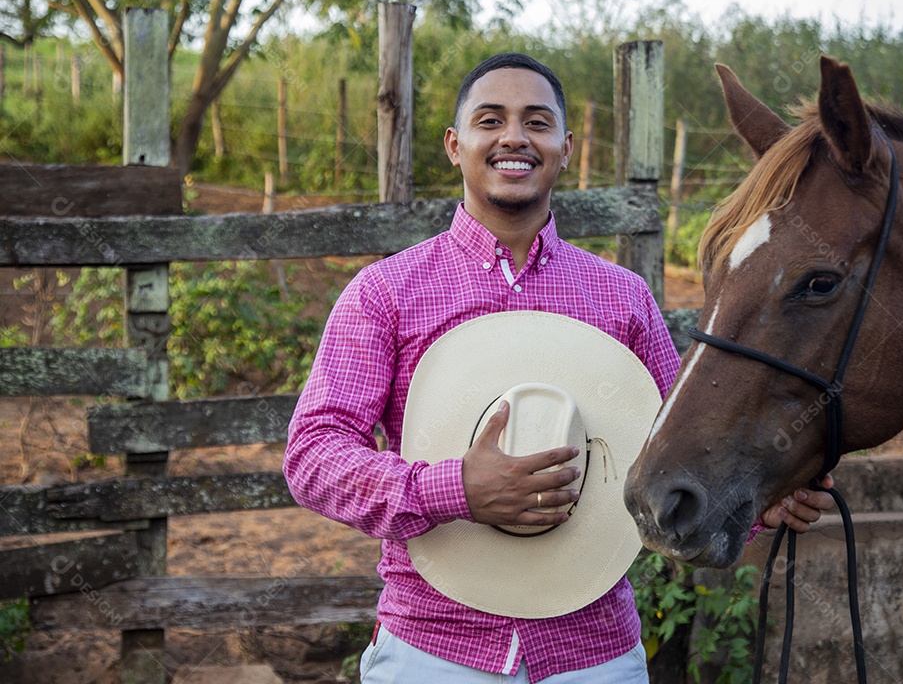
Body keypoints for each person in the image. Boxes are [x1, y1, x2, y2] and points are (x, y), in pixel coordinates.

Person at [283, 53, 835, 683]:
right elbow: (313, 456)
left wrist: (758, 506)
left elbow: (680, 451)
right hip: (432, 651)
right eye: (491, 120)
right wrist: (456, 489)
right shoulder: (386, 293)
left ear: (566, 148)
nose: (514, 137)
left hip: (595, 656)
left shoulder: (622, 297)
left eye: (537, 122)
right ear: (454, 144)